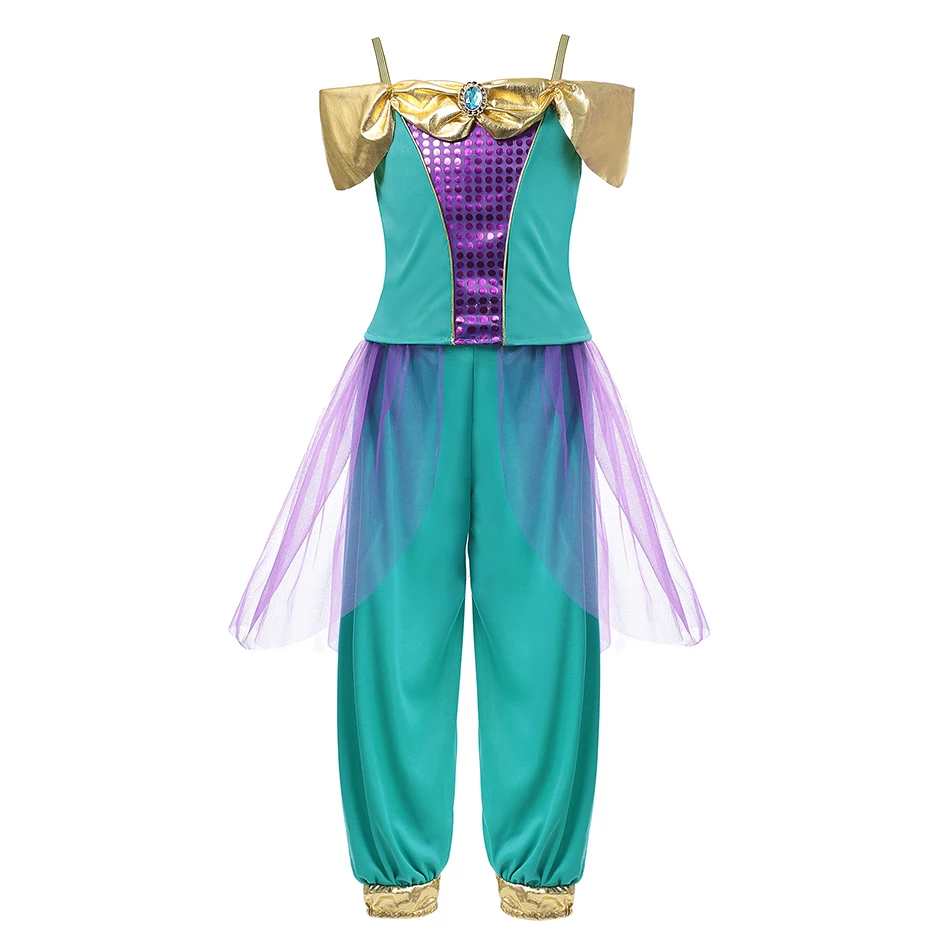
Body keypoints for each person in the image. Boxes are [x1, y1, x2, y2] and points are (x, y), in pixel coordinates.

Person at [229, 34, 710, 920]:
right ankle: (397, 869)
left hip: (541, 382)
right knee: (394, 620)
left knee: (544, 621)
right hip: (408, 381)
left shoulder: (573, 108)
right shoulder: (379, 113)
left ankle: (538, 868)